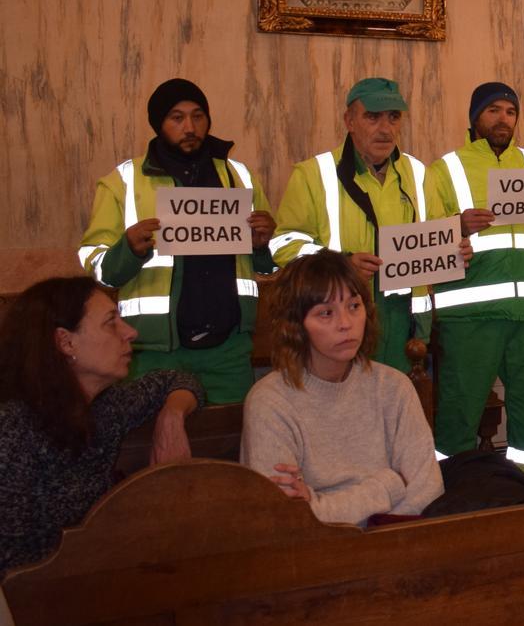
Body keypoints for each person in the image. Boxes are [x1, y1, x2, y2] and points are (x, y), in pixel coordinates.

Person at [78, 78, 276, 404]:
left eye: (198, 116)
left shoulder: (239, 176)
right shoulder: (123, 182)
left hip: (227, 348)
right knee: (154, 449)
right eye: (177, 117)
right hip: (152, 351)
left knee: (228, 443)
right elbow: (97, 266)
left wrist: (262, 244)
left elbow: (267, 263)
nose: (190, 127)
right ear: (159, 124)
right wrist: (128, 249)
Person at [423, 82, 524, 480]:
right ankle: (452, 495)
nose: (503, 119)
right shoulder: (447, 168)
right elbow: (421, 241)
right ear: (475, 117)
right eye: (493, 110)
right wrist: (455, 226)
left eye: (510, 111)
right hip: (469, 315)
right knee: (459, 414)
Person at [0, 277, 203, 576]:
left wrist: (172, 417)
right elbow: (12, 564)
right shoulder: (12, 430)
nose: (131, 332)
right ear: (66, 342)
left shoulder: (106, 406)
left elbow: (178, 380)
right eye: (111, 322)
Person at [271, 77, 468, 372]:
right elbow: (283, 244)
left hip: (408, 333)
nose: (385, 129)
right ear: (349, 120)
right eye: (373, 117)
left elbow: (437, 237)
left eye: (393, 117)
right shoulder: (313, 174)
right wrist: (341, 264)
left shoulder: (420, 174)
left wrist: (455, 251)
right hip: (339, 327)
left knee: (398, 414)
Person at [240, 250, 444, 526]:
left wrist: (319, 505)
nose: (346, 324)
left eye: (354, 306)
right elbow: (288, 518)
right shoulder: (269, 401)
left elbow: (427, 491)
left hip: (395, 542)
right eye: (326, 313)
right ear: (295, 326)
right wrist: (387, 485)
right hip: (314, 559)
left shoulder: (394, 386)